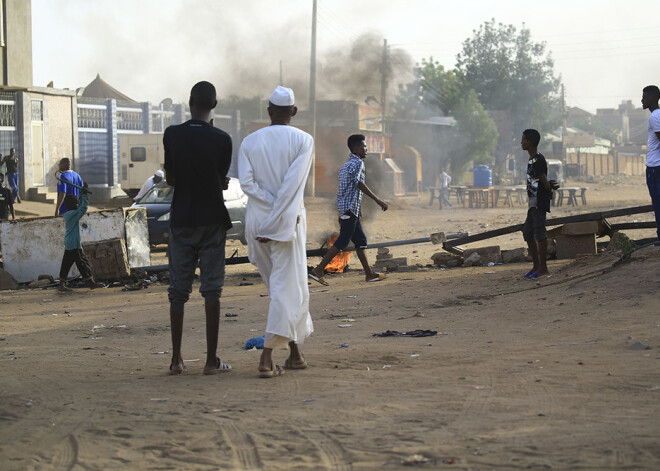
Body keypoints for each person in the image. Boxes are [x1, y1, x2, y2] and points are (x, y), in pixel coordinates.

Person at [238, 86, 314, 378]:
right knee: (287, 288)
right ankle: (266, 358)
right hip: (286, 223)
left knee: (281, 289)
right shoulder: (304, 140)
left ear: (269, 110)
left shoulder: (249, 142)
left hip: (257, 222)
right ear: (294, 112)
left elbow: (246, 184)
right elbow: (291, 187)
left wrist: (269, 212)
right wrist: (277, 217)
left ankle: (295, 354)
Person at [163, 81, 233, 376]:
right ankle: (210, 361)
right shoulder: (223, 139)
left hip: (181, 219)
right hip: (212, 220)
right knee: (211, 291)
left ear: (189, 103)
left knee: (178, 292)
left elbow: (170, 179)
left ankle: (176, 360)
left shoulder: (172, 134)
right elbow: (220, 180)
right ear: (213, 107)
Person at [309, 134, 389, 286]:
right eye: (365, 147)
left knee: (360, 241)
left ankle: (369, 274)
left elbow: (343, 190)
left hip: (349, 210)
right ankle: (318, 270)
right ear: (357, 148)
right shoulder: (358, 163)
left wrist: (344, 212)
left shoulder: (345, 166)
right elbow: (359, 184)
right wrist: (378, 200)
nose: (366, 150)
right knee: (343, 241)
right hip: (350, 210)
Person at [521, 129, 559, 279]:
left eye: (523, 140)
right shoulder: (532, 160)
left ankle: (543, 268)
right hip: (533, 203)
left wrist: (549, 188)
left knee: (540, 234)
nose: (521, 143)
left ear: (529, 142)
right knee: (528, 233)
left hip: (538, 203)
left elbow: (543, 179)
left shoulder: (538, 159)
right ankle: (536, 265)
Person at [58, 186, 105, 292]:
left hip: (69, 242)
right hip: (74, 243)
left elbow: (79, 207)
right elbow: (83, 209)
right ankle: (91, 282)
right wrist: (84, 196)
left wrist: (81, 194)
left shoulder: (68, 214)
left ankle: (61, 283)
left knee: (66, 263)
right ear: (74, 205)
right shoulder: (73, 214)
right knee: (82, 262)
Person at [642, 85, 660, 241]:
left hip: (655, 167)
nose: (642, 100)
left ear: (654, 98)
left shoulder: (654, 117)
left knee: (658, 202)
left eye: (645, 97)